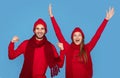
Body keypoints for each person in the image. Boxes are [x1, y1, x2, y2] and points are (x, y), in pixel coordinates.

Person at [48, 4, 114, 78]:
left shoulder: (87, 48)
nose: (77, 37)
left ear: (82, 38)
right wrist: (51, 16)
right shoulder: (67, 48)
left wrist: (106, 20)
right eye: (75, 35)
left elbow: (97, 35)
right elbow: (58, 33)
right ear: (72, 38)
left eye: (79, 35)